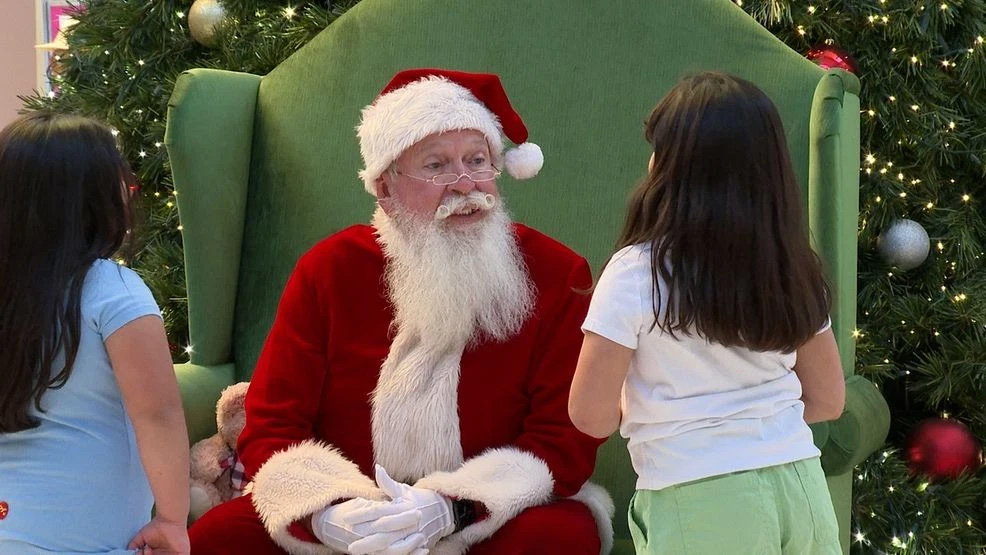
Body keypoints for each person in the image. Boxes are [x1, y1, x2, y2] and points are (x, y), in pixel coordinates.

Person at [188, 69, 613, 555]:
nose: (465, 184)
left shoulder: (556, 273)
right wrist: (329, 513)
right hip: (347, 511)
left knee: (558, 537)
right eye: (436, 166)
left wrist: (453, 508)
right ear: (385, 189)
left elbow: (564, 435)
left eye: (477, 161)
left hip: (488, 515)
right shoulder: (330, 270)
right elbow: (274, 422)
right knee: (217, 539)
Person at [568, 72, 846, 554]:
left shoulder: (636, 272)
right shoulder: (793, 265)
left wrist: (649, 408)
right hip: (802, 488)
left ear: (670, 167)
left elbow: (590, 415)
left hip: (697, 496)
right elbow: (828, 400)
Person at [0, 112, 190, 554]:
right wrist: (172, 520)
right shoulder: (114, 289)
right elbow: (159, 414)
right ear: (95, 199)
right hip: (86, 541)